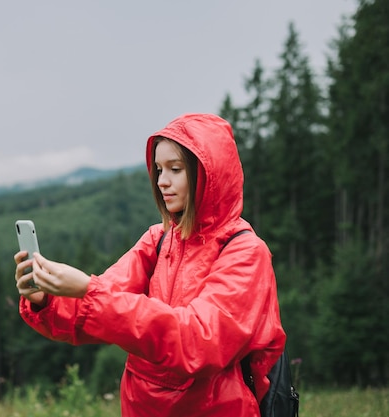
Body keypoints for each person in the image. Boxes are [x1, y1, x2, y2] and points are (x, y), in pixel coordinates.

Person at [14, 113, 286, 417]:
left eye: (175, 169)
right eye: (158, 169)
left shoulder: (245, 252)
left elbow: (200, 342)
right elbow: (96, 304)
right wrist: (46, 300)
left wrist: (91, 291)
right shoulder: (158, 240)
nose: (162, 181)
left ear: (209, 174)